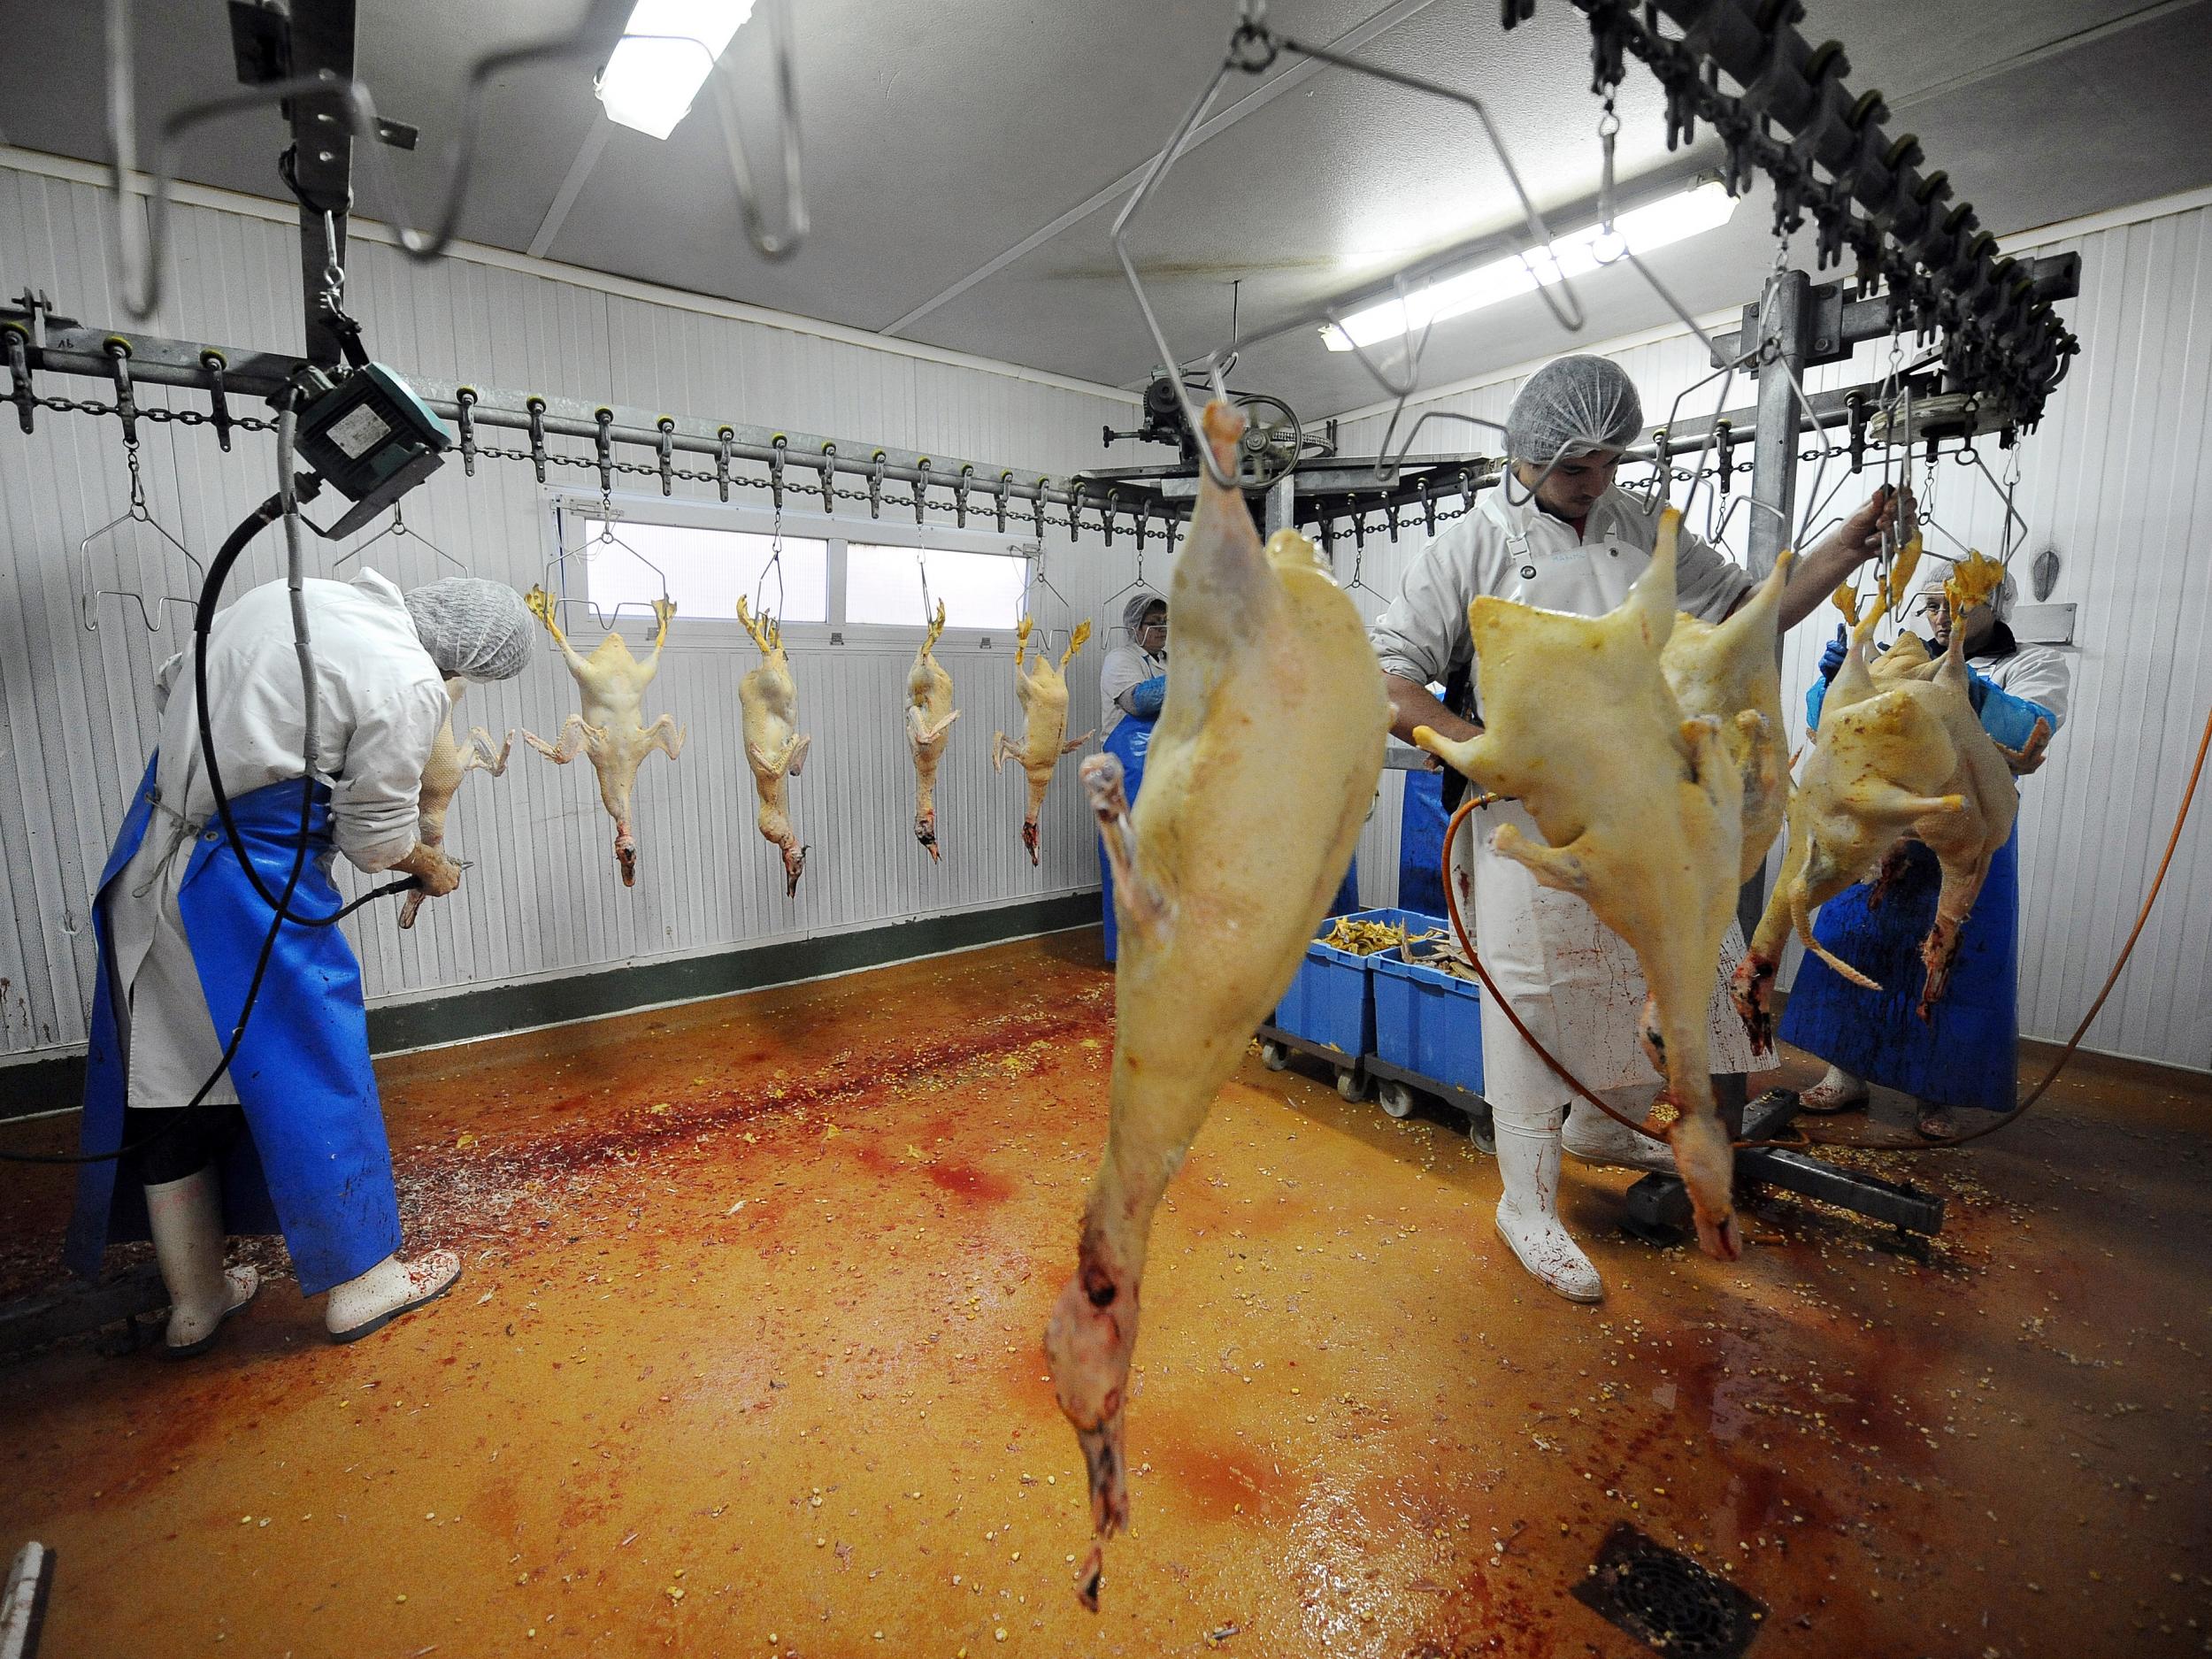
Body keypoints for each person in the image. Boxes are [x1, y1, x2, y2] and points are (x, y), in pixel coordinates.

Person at [1369, 353, 1911, 1302]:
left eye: (1610, 462)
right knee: (1532, 999)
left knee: (1639, 983)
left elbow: (1750, 613)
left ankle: (1601, 1127)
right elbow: (1388, 679)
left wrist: (1841, 550)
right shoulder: (1467, 544)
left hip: (1643, 808)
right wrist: (1481, 749)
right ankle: (1525, 1201)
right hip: (1527, 814)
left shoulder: (1639, 528)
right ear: (1529, 456)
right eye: (1578, 468)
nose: (1599, 483)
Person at [65, 570, 535, 1355]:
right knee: (316, 1062)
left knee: (170, 1082)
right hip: (250, 877)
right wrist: (428, 864)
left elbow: (171, 681)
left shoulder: (290, 594)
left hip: (153, 863)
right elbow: (375, 838)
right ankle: (364, 1282)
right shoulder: (410, 677)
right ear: (466, 661)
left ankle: (197, 1299)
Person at [1781, 568, 2069, 1139]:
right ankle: (1846, 1071)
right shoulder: (1899, 657)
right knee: (1856, 941)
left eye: (1957, 605)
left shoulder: (2032, 666)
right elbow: (1832, 728)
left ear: (1994, 605)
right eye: (1933, 605)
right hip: (1886, 825)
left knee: (1952, 956)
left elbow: (2034, 729)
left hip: (1970, 830)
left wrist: (1964, 688)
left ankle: (1937, 1093)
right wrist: (1837, 682)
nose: (1941, 617)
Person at [1099, 591, 1168, 739]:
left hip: (1163, 753)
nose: (1162, 628)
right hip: (1125, 757)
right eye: (1153, 623)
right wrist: (1186, 679)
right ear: (1135, 627)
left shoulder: (1169, 661)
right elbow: (1138, 702)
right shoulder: (1119, 658)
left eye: (1164, 621)